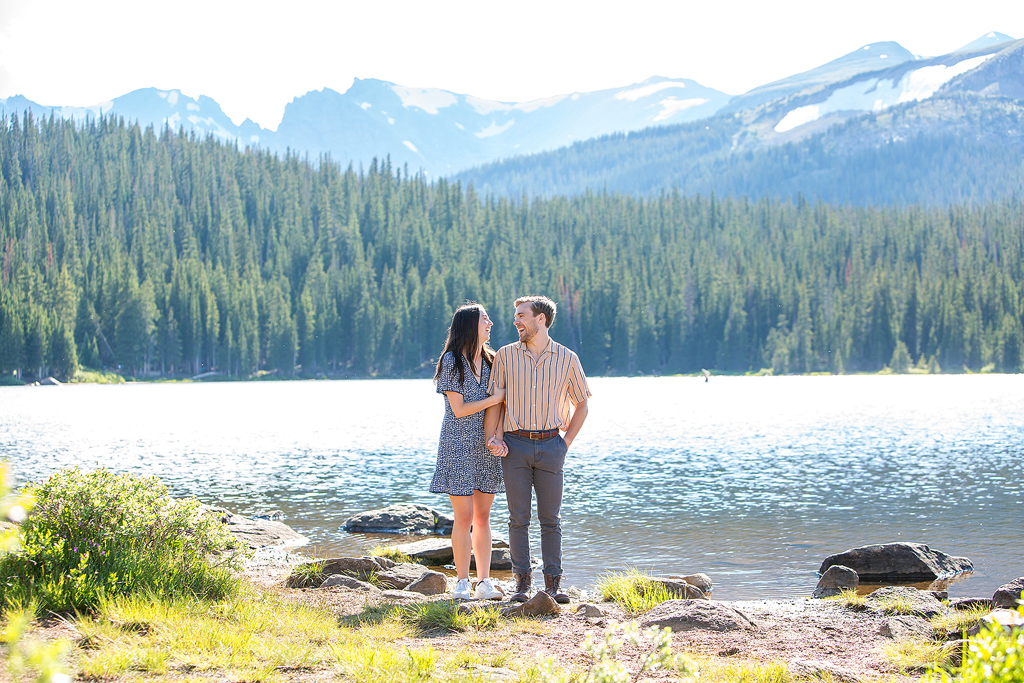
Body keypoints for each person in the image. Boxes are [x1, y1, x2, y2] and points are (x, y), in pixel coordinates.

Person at [484, 295, 590, 603]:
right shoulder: (505, 355)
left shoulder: (567, 358)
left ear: (540, 319)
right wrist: (493, 437)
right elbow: (496, 400)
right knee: (518, 518)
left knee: (551, 519)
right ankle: (522, 585)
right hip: (514, 445)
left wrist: (565, 444)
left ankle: (553, 585)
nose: (515, 320)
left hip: (551, 445)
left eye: (521, 315)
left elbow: (582, 405)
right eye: (515, 315)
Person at [431, 303, 508, 600]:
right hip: (457, 446)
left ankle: (485, 581)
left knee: (484, 517)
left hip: (487, 447)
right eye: (484, 318)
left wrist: (497, 437)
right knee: (463, 518)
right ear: (469, 324)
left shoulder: (492, 361)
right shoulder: (452, 361)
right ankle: (462, 581)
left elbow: (501, 406)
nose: (490, 323)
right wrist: (496, 398)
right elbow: (459, 409)